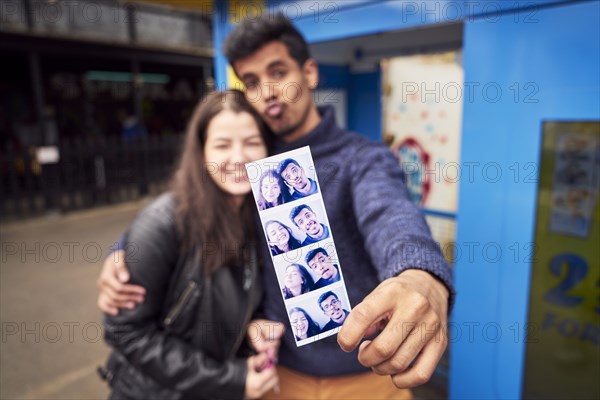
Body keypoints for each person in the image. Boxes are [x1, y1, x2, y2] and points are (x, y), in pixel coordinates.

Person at [97, 13, 454, 399]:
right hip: (275, 374)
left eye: (278, 72)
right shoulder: (252, 163)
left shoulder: (360, 160)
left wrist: (420, 276)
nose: (267, 90)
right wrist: (125, 254)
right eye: (251, 82)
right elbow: (196, 208)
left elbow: (391, 216)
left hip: (362, 374)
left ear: (310, 74)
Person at [98, 91, 283, 400]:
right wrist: (232, 381)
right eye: (223, 145)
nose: (239, 158)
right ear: (201, 153)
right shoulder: (163, 224)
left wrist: (256, 326)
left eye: (252, 142)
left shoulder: (262, 216)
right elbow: (124, 330)